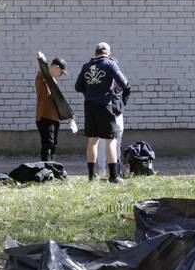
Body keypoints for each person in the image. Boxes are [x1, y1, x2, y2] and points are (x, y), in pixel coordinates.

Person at [74, 41, 131, 184]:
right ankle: (113, 177)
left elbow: (78, 86)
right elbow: (123, 83)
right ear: (108, 53)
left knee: (92, 140)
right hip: (104, 105)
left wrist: (91, 93)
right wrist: (110, 93)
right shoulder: (110, 64)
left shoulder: (86, 66)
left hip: (89, 105)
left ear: (96, 52)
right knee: (111, 140)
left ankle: (91, 177)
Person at [34, 57, 67, 162]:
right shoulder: (43, 77)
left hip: (54, 118)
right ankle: (46, 168)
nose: (61, 75)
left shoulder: (52, 80)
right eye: (61, 73)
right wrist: (43, 61)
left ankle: (52, 167)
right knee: (47, 144)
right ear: (56, 68)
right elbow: (43, 70)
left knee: (52, 144)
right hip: (45, 117)